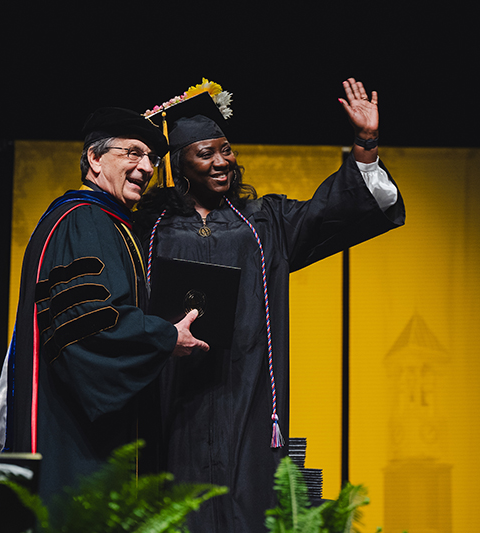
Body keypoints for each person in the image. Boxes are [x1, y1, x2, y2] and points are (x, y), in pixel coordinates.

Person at [134, 78, 406, 532]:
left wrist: (365, 142)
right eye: (206, 153)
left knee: (247, 505)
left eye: (226, 149)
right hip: (172, 396)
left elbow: (334, 208)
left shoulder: (264, 222)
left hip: (247, 392)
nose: (222, 161)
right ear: (180, 163)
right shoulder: (147, 228)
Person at [0, 107, 210, 511]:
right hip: (74, 436)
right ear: (94, 159)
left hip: (74, 422)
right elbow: (90, 325)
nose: (145, 167)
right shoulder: (84, 221)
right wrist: (166, 336)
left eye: (151, 158)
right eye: (132, 153)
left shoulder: (96, 220)